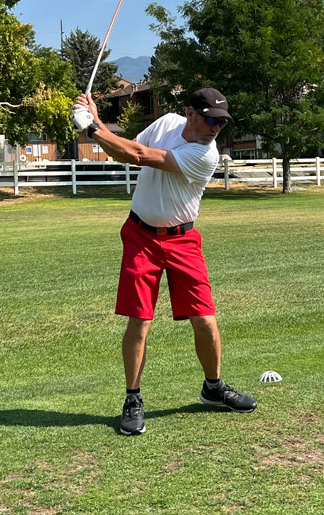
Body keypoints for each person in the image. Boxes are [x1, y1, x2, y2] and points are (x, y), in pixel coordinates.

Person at [73, 88, 257, 436]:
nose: (216, 126)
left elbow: (139, 155)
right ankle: (132, 398)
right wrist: (94, 119)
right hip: (141, 236)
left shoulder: (204, 154)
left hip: (183, 240)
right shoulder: (166, 123)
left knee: (205, 319)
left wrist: (91, 130)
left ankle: (213, 387)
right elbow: (124, 148)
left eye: (222, 122)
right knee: (139, 321)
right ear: (190, 112)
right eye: (210, 118)